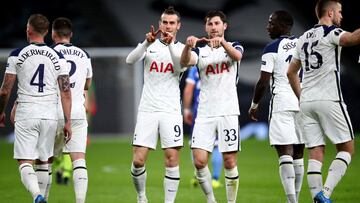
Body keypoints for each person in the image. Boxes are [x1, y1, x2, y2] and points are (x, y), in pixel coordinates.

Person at [287, 0, 360, 202]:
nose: (341, 17)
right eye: (340, 12)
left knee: (316, 152)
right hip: (329, 98)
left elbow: (291, 72)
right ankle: (325, 194)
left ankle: (317, 200)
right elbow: (352, 38)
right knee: (347, 149)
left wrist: (301, 96)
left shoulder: (302, 39)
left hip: (306, 101)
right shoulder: (332, 33)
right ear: (330, 13)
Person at [0, 14, 72, 203]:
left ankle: (37, 196)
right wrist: (68, 121)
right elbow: (66, 92)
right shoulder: (58, 56)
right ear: (47, 32)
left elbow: (5, 90)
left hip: (27, 111)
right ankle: (43, 198)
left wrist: (1, 111)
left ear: (28, 30)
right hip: (49, 113)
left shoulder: (17, 54)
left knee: (25, 161)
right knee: (43, 161)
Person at [180, 10, 243, 203]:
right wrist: (187, 47)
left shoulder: (234, 46)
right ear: (205, 28)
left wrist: (222, 43)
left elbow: (237, 56)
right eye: (210, 24)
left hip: (228, 112)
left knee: (230, 161)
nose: (213, 27)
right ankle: (211, 200)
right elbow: (184, 62)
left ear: (224, 26)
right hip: (205, 113)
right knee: (199, 162)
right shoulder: (200, 52)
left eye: (217, 23)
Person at [126, 6, 186, 203]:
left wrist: (169, 45)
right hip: (148, 110)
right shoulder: (149, 45)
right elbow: (130, 60)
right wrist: (145, 42)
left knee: (171, 159)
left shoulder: (181, 49)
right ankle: (142, 197)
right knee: (138, 160)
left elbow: (179, 65)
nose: (168, 26)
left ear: (178, 26)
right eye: (165, 22)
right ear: (160, 24)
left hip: (171, 111)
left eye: (172, 23)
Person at [248, 10, 305, 203]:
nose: (267, 26)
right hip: (303, 101)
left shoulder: (272, 48)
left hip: (282, 102)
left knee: (284, 153)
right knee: (298, 153)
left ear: (282, 26)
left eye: (271, 22)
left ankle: (292, 201)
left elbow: (263, 82)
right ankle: (296, 198)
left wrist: (254, 104)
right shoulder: (303, 44)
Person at [50, 17, 93, 203]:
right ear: (71, 34)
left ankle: (42, 199)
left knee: (45, 161)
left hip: (53, 112)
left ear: (53, 34)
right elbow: (87, 83)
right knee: (79, 160)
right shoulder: (83, 54)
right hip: (77, 111)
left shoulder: (49, 53)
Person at [183, 66, 223, 188]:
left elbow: (188, 90)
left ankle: (198, 175)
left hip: (199, 111)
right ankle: (215, 179)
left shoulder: (196, 67)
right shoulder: (221, 65)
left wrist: (186, 110)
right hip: (218, 110)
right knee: (216, 146)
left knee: (196, 144)